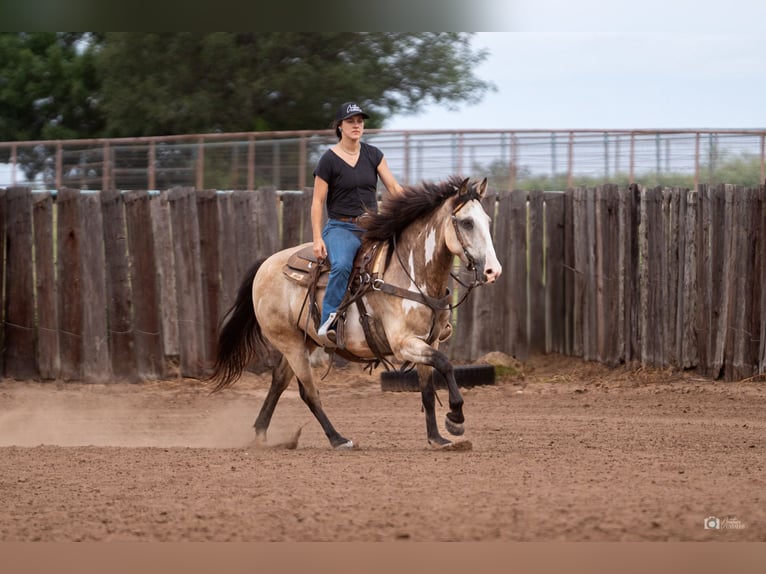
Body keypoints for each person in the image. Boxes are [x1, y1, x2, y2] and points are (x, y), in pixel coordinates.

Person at [311, 101, 403, 347]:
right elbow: (318, 202)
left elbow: (393, 188)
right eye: (350, 121)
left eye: (360, 122)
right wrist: (318, 238)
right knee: (341, 265)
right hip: (341, 228)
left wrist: (410, 210)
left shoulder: (374, 155)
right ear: (340, 127)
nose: (356, 126)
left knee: (402, 257)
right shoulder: (328, 160)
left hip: (372, 227)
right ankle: (329, 318)